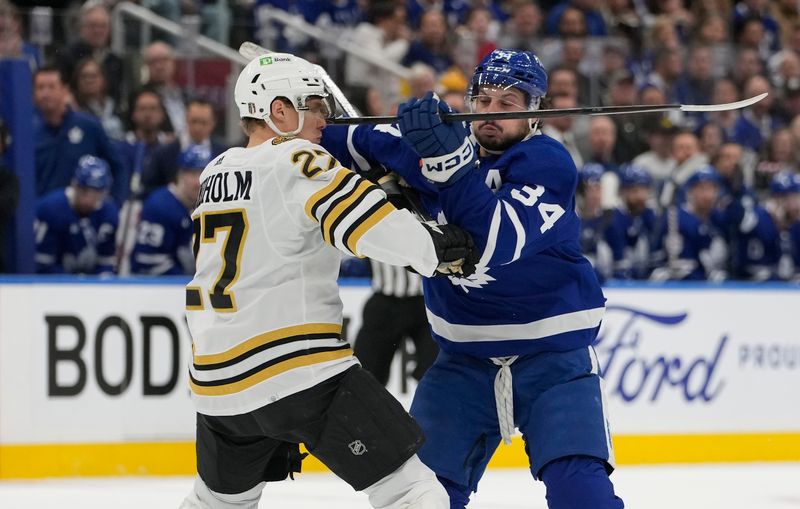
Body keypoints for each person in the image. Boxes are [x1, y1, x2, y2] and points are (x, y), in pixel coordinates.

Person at [180, 52, 479, 509]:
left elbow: (285, 222)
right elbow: (370, 227)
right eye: (314, 106)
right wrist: (437, 247)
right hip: (296, 370)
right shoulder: (300, 158)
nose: (324, 118)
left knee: (217, 504)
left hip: (217, 387)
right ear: (279, 111)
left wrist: (373, 189)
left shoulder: (217, 169)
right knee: (413, 493)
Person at [393, 49, 623, 508]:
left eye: (507, 103)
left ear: (534, 111)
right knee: (421, 499)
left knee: (581, 493)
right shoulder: (439, 150)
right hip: (463, 362)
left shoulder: (548, 162)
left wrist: (445, 164)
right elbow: (357, 142)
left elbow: (490, 243)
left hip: (552, 358)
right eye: (483, 102)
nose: (491, 114)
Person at [33, 66, 126, 205]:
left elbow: (118, 166)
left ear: (65, 90)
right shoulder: (28, 133)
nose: (45, 94)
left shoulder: (89, 126)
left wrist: (115, 204)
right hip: (41, 217)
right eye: (40, 88)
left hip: (82, 215)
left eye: (51, 87)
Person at [130, 144, 210, 276]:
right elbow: (146, 262)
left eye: (204, 174)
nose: (198, 182)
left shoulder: (205, 207)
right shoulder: (160, 206)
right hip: (153, 290)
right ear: (180, 175)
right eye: (193, 173)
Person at [34, 155, 118, 275]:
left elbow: (106, 262)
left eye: (96, 193)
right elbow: (42, 266)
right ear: (74, 185)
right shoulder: (50, 209)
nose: (88, 200)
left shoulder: (109, 213)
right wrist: (75, 284)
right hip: (55, 287)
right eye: (84, 191)